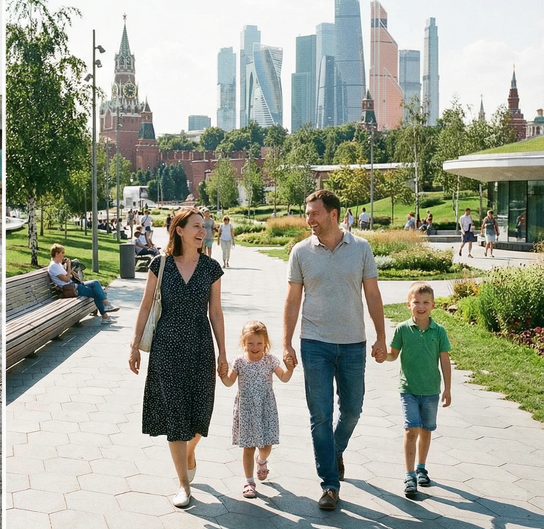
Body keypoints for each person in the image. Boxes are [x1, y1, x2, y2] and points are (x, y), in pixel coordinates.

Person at [281, 189, 387, 511]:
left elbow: (372, 294)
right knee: (320, 415)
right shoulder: (300, 252)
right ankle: (330, 485)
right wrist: (286, 342)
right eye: (307, 213)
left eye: (314, 213)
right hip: (314, 344)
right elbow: (292, 299)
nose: (309, 219)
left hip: (353, 343)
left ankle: (334, 450)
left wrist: (381, 337)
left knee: (353, 410)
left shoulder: (361, 248)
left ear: (333, 214)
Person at [128, 207, 228, 508]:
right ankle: (184, 485)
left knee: (200, 413)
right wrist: (134, 346)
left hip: (200, 347)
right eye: (196, 226)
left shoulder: (211, 268)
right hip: (167, 347)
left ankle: (188, 451)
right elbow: (145, 306)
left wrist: (224, 352)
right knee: (175, 416)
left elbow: (216, 312)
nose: (202, 231)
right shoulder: (160, 265)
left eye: (203, 226)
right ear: (179, 230)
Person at [385, 282, 452, 496]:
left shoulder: (439, 331)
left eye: (425, 302)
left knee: (426, 430)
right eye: (416, 302)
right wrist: (382, 355)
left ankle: (421, 468)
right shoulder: (403, 329)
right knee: (410, 429)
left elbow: (445, 361)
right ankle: (409, 475)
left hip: (431, 390)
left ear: (433, 305)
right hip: (409, 389)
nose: (420, 306)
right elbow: (393, 354)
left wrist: (447, 389)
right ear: (408, 304)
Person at [219, 321, 294, 499]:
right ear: (243, 342)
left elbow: (284, 377)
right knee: (248, 447)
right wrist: (222, 374)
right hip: (246, 409)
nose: (255, 347)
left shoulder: (270, 360)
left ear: (265, 343)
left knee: (266, 445)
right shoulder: (238, 362)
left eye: (259, 343)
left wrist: (290, 368)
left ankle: (262, 461)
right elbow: (229, 382)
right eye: (250, 343)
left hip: (265, 408)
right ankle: (249, 482)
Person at [47, 244, 118, 324]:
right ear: (57, 254)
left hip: (74, 286)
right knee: (95, 292)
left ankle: (106, 306)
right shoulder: (53, 266)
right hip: (70, 289)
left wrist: (72, 272)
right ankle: (105, 313)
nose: (64, 255)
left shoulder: (58, 264)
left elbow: (67, 276)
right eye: (62, 253)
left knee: (95, 282)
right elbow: (66, 279)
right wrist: (69, 266)